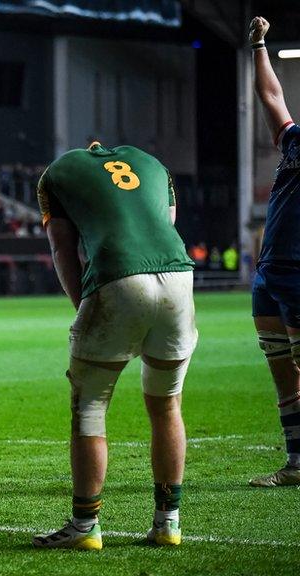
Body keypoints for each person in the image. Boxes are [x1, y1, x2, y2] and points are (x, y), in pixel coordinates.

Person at [32, 142, 197, 549]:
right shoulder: (153, 162)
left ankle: (86, 525)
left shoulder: (57, 173)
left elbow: (61, 247)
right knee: (167, 404)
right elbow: (167, 221)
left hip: (119, 277)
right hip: (179, 277)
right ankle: (168, 523)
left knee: (89, 405)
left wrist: (82, 306)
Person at [247, 16, 300, 488]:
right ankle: (296, 463)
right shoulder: (296, 141)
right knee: (282, 369)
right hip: (269, 273)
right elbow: (272, 99)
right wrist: (259, 46)